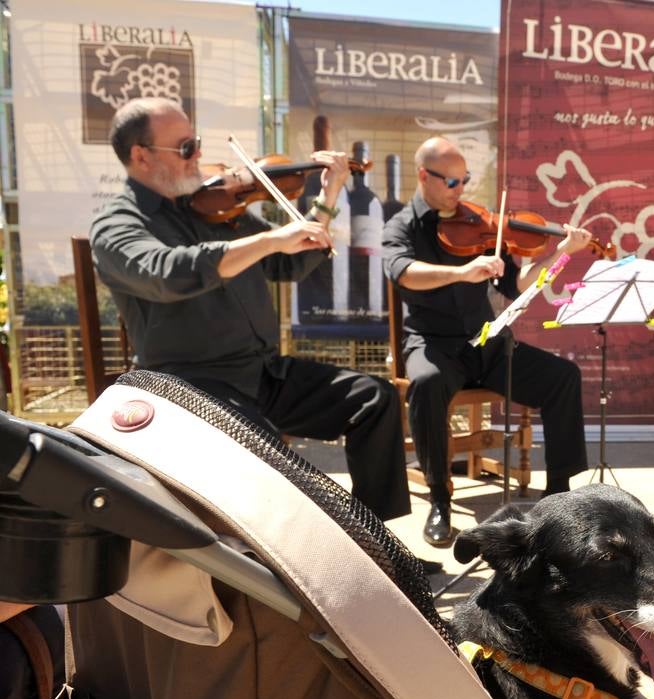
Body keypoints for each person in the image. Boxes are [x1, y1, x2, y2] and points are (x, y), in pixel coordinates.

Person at [89, 100, 431, 562]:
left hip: (263, 372)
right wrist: (269, 237)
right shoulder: (117, 225)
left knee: (374, 398)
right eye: (185, 147)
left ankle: (377, 550)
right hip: (191, 383)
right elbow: (165, 272)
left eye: (197, 145)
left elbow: (289, 262)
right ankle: (293, 564)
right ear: (141, 155)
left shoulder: (217, 209)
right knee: (269, 453)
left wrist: (327, 198)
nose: (197, 157)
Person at [381, 136, 590, 548]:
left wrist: (559, 255)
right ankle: (440, 498)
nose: (461, 191)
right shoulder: (400, 226)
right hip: (432, 342)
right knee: (426, 384)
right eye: (452, 182)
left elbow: (517, 284)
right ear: (424, 176)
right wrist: (462, 272)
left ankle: (560, 493)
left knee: (563, 376)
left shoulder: (481, 224)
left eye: (465, 180)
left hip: (487, 340)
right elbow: (403, 273)